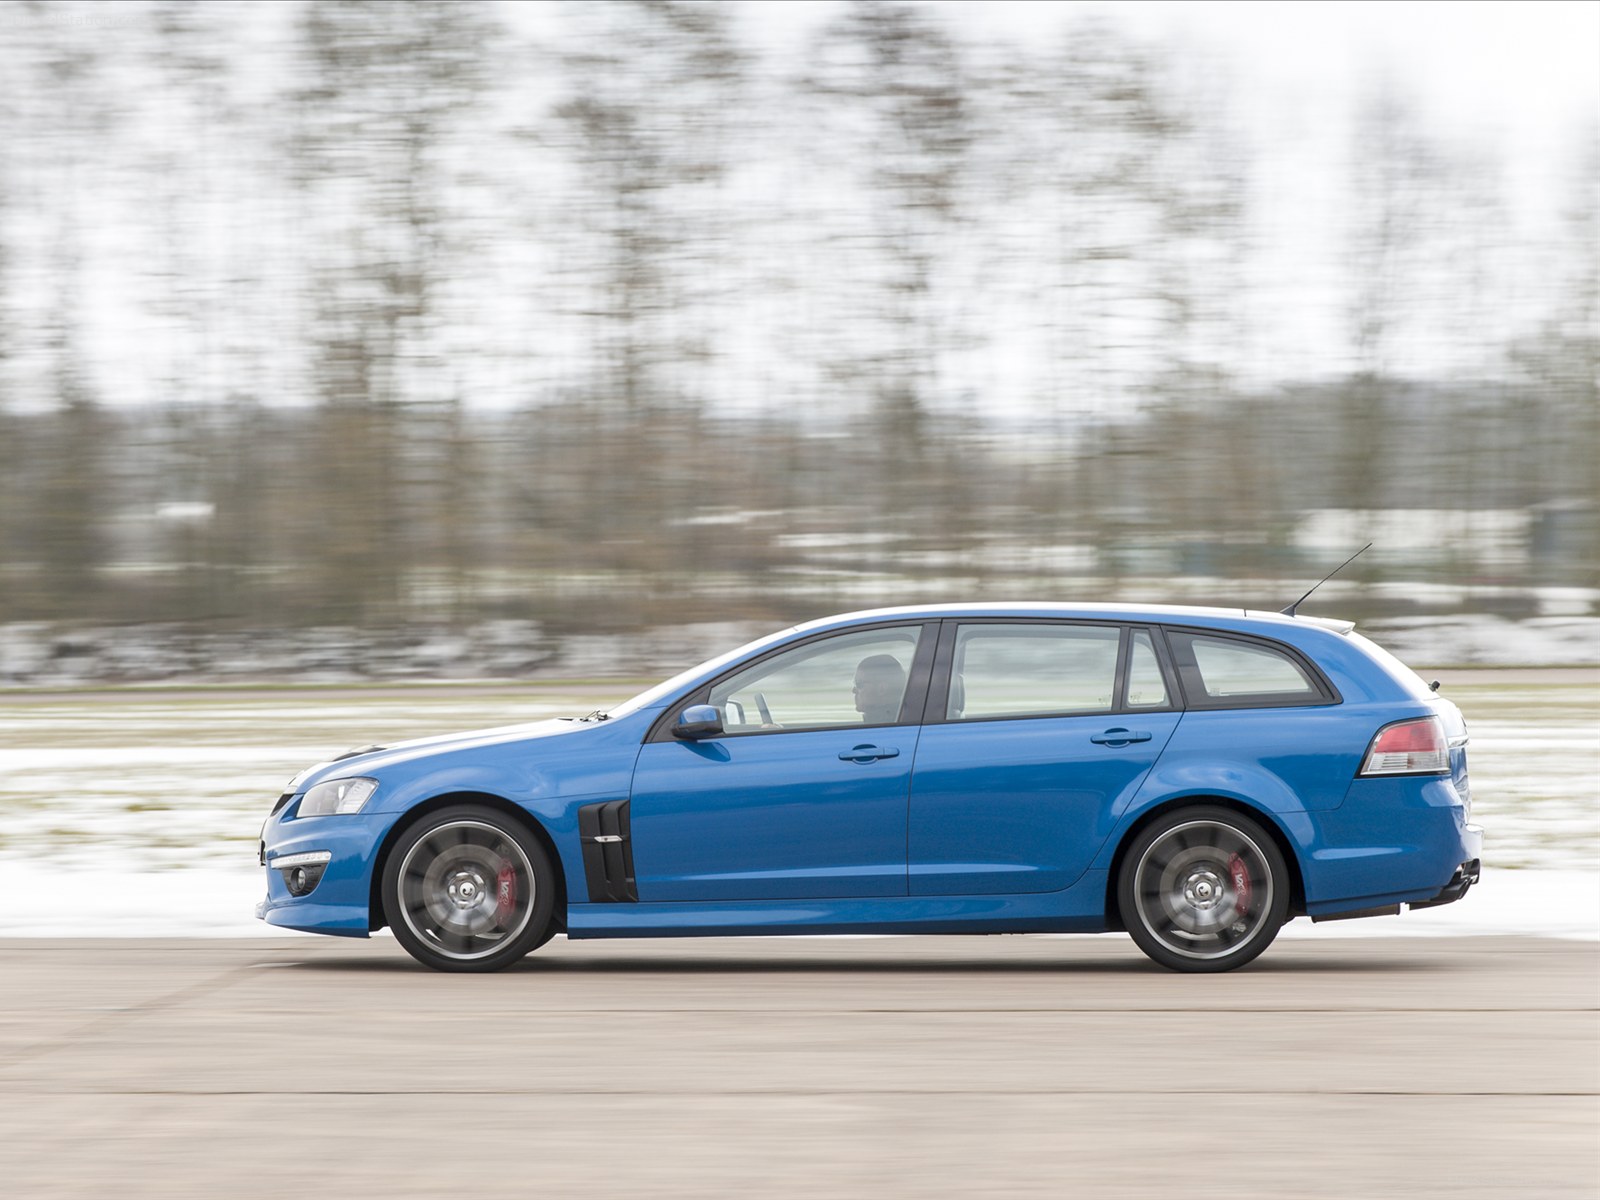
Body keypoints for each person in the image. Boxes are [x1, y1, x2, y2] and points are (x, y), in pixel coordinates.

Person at [853, 654, 906, 724]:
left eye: (859, 684)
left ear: (882, 689)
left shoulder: (882, 726)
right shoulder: (901, 718)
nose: (853, 690)